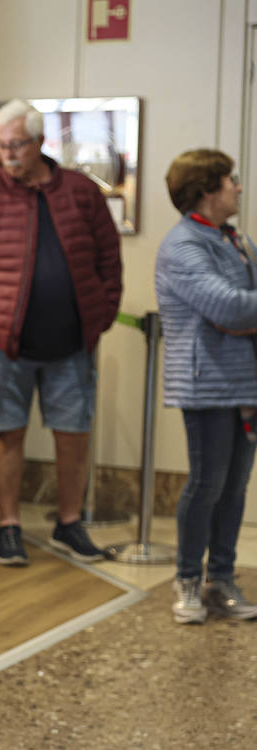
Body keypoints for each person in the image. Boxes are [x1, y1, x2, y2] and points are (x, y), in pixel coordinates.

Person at [0, 98, 122, 566]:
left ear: (41, 142)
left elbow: (109, 263)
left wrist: (98, 319)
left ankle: (69, 522)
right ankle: (9, 526)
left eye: (17, 145)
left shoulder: (82, 192)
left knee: (73, 434)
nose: (9, 155)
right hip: (4, 344)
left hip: (72, 343)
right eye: (1, 146)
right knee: (7, 433)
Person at [156, 149, 257, 623]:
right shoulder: (184, 245)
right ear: (206, 190)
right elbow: (231, 309)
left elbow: (241, 309)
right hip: (206, 384)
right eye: (229, 180)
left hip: (242, 381)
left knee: (234, 486)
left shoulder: (233, 238)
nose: (238, 186)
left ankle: (222, 580)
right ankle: (188, 583)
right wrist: (240, 317)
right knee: (207, 484)